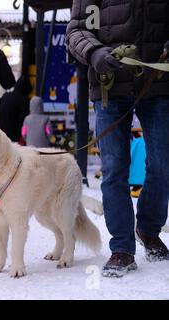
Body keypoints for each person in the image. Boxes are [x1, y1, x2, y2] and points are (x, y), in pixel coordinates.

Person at [67, 0, 169, 277]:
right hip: (108, 86)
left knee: (163, 165)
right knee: (114, 171)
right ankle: (122, 247)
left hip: (159, 82)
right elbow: (76, 30)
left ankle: (148, 229)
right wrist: (95, 51)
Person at [0, 76, 33, 143]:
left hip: (1, 133)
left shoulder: (5, 96)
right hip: (14, 136)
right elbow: (22, 120)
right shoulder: (23, 100)